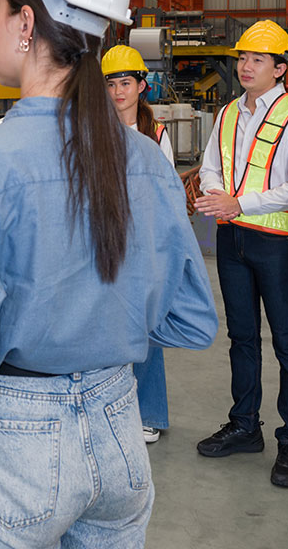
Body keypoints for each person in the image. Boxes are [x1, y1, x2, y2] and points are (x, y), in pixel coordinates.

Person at [0, 0, 218, 548]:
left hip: (15, 436)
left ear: (26, 26)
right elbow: (191, 320)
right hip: (118, 428)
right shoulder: (142, 158)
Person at [193, 19, 288, 488]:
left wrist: (239, 202)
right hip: (232, 240)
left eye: (257, 59)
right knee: (242, 338)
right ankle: (245, 425)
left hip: (275, 241)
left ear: (280, 68)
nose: (246, 66)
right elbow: (209, 167)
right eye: (243, 58)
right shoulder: (227, 113)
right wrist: (214, 192)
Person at [101, 43, 173, 444]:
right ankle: (107, 407)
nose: (117, 92)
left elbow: (164, 194)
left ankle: (149, 412)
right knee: (104, 328)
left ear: (142, 85)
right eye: (110, 84)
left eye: (125, 83)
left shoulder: (155, 133)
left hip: (142, 243)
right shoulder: (92, 129)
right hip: (104, 239)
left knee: (146, 331)